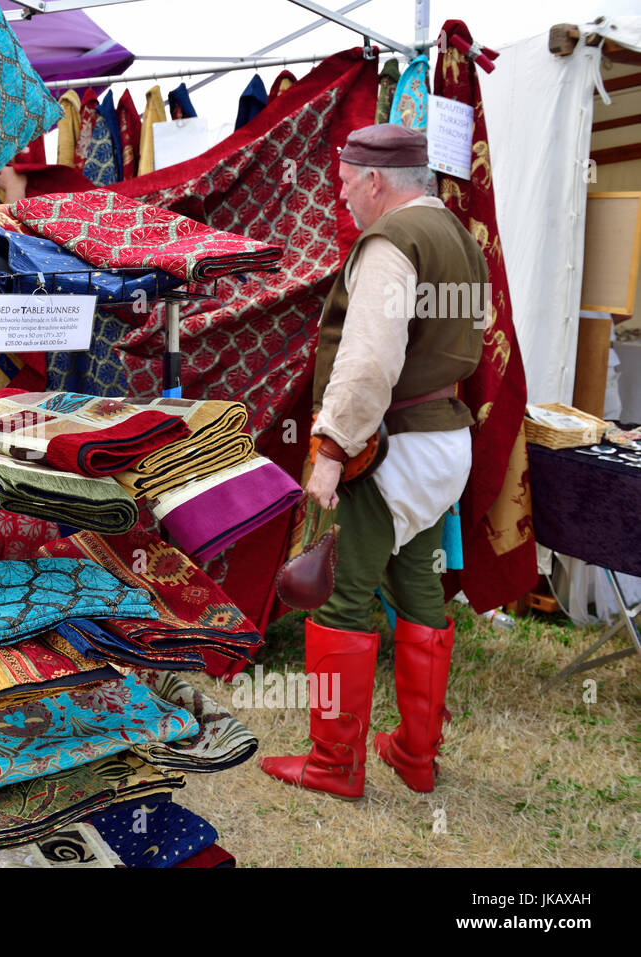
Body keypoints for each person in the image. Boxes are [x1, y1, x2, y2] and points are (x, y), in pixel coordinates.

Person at [259, 124, 488, 798]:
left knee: (342, 592)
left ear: (376, 181)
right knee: (416, 573)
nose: (341, 194)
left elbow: (369, 360)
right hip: (445, 440)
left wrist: (331, 450)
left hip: (390, 445)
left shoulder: (393, 242)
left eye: (345, 181)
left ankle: (334, 764)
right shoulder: (459, 239)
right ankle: (416, 754)